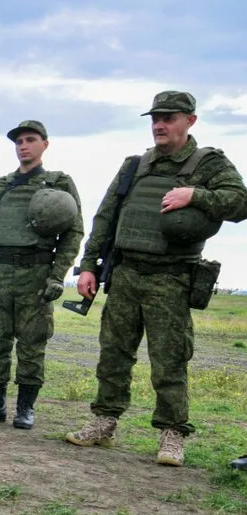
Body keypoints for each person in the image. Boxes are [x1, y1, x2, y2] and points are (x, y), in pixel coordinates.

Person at [66, 91, 247, 466]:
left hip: (171, 277)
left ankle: (172, 434)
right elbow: (106, 216)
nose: (160, 125)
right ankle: (103, 422)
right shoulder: (135, 165)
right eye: (155, 118)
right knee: (113, 353)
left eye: (169, 117)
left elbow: (240, 202)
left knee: (169, 360)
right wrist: (88, 265)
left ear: (190, 121)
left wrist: (194, 195)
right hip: (127, 273)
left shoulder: (208, 163)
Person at [0, 120, 83, 429]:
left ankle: (26, 408)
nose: (23, 146)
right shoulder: (0, 186)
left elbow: (73, 232)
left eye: (30, 140)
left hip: (36, 273)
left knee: (32, 343)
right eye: (19, 141)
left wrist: (57, 276)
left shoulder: (58, 185)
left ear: (45, 144)